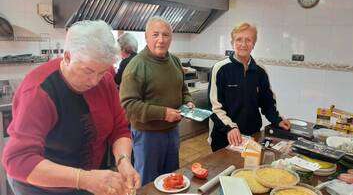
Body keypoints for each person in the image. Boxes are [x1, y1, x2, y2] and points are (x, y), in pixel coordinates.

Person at [2, 20, 140, 195]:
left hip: (87, 180)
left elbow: (119, 129)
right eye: (88, 71)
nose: (95, 81)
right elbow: (18, 160)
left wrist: (124, 161)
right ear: (67, 57)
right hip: (42, 187)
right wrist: (84, 179)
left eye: (102, 72)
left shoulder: (104, 81)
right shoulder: (39, 91)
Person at [120, 16, 194, 186]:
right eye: (155, 35)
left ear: (171, 38)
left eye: (165, 35)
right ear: (146, 37)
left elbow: (183, 89)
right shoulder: (137, 65)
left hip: (172, 132)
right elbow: (128, 105)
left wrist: (188, 101)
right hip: (147, 135)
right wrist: (163, 113)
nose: (161, 40)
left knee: (172, 178)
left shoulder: (174, 61)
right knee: (147, 182)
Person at [208, 22, 291, 152]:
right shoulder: (220, 69)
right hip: (225, 137)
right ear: (232, 43)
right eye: (239, 39)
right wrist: (230, 128)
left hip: (252, 135)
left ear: (254, 44)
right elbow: (214, 107)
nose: (243, 44)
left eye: (248, 40)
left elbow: (267, 102)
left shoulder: (260, 71)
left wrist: (277, 120)